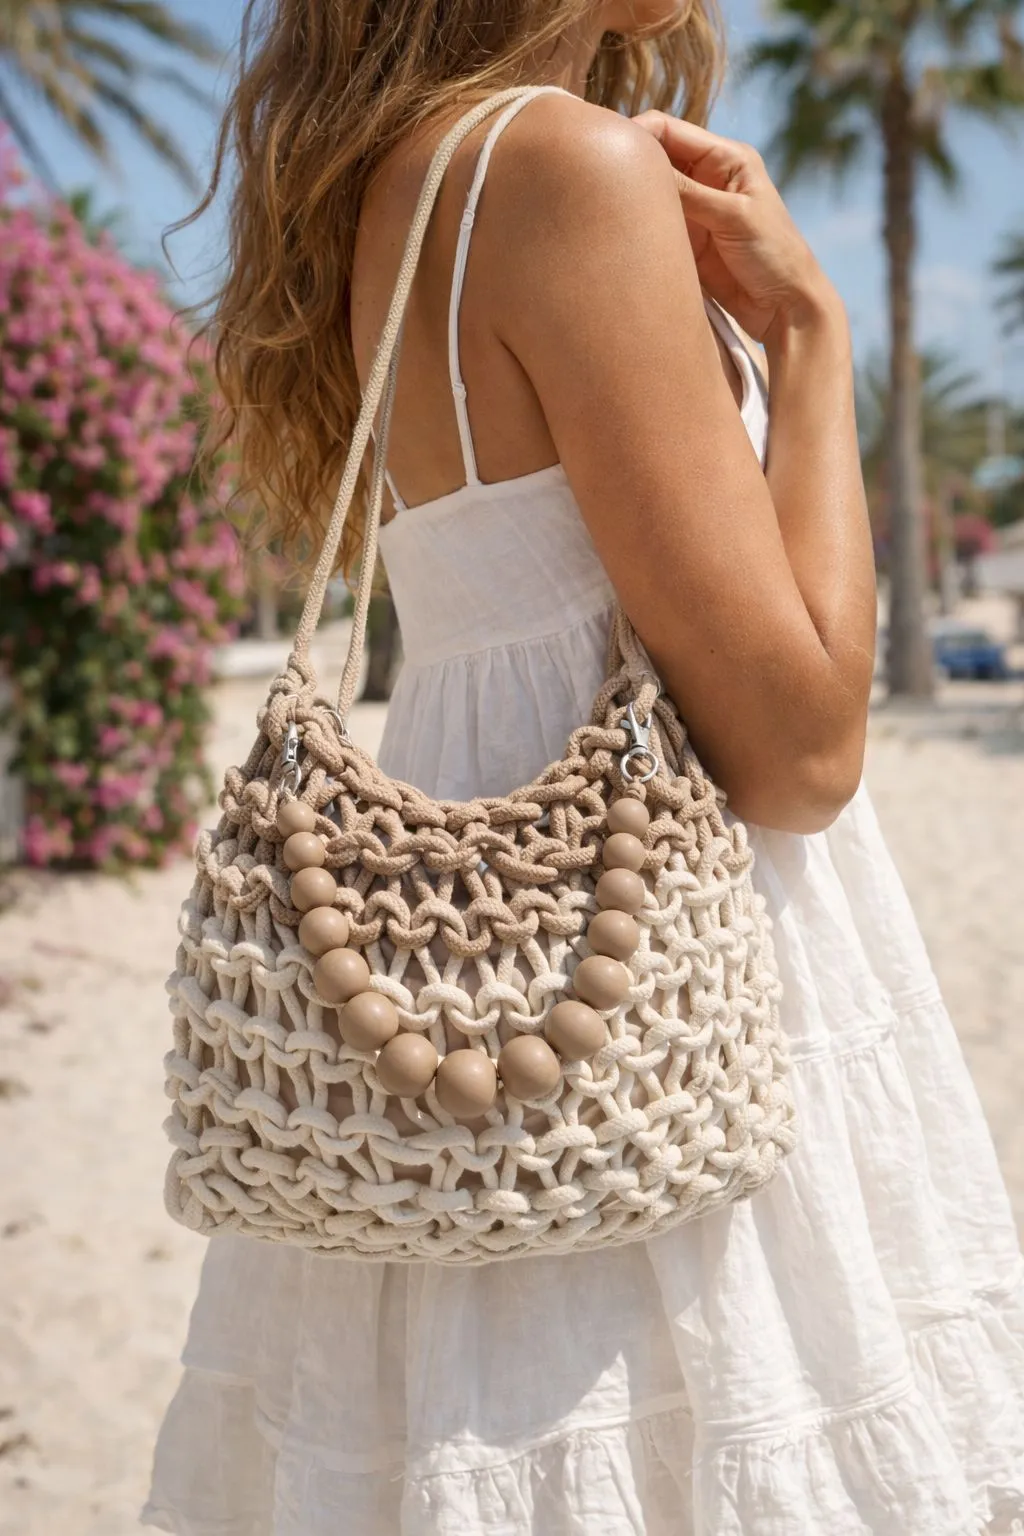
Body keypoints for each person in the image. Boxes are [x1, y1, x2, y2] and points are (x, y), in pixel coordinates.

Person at [143, 1, 1024, 1532]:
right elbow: (803, 752)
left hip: (450, 959)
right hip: (634, 961)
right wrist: (812, 345)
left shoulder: (401, 181)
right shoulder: (564, 168)